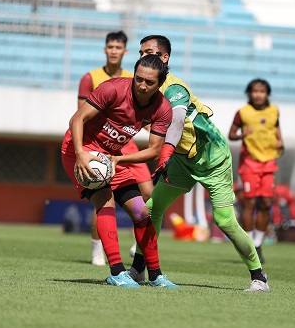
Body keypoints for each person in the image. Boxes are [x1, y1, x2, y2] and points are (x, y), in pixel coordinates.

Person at [129, 35, 269, 292]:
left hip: (212, 158)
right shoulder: (143, 86)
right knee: (151, 209)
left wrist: (164, 153)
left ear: (164, 58)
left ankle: (259, 276)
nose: (142, 58)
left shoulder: (174, 89)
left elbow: (178, 121)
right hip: (182, 161)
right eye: (140, 53)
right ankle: (138, 269)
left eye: (149, 52)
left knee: (224, 220)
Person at [61, 54, 178, 288]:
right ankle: (116, 271)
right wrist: (81, 153)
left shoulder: (163, 108)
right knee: (105, 202)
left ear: (160, 83)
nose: (142, 85)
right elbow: (77, 119)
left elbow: (155, 150)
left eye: (149, 82)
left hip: (112, 157)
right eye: (139, 79)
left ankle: (155, 275)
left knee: (141, 212)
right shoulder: (112, 89)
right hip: (80, 151)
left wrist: (119, 159)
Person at [77, 30, 152, 266]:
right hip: (99, 144)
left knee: (148, 193)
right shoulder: (91, 77)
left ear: (125, 51)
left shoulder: (135, 78)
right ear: (105, 49)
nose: (114, 51)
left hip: (126, 145)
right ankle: (97, 248)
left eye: (118, 47)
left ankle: (136, 247)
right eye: (110, 46)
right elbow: (81, 114)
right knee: (102, 193)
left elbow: (144, 116)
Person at [228, 78, 283, 263]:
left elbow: (276, 130)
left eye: (262, 91)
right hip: (249, 163)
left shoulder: (274, 111)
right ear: (249, 93)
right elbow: (231, 134)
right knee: (250, 204)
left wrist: (280, 142)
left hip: (268, 163)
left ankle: (258, 243)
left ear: (267, 94)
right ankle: (249, 242)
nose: (258, 94)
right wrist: (242, 134)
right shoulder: (242, 113)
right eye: (255, 91)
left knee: (267, 203)